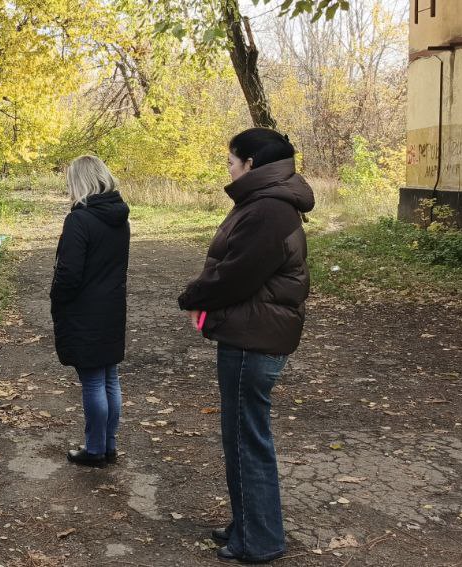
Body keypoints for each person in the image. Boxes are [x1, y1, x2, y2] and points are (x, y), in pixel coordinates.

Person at [177, 128, 314, 564]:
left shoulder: (268, 209)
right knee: (242, 437)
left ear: (251, 164)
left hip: (253, 338)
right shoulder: (266, 203)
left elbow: (237, 274)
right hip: (252, 333)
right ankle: (250, 524)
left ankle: (260, 540)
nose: (229, 169)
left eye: (232, 161)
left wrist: (193, 295)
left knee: (245, 440)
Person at [50, 155, 131, 468]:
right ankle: (108, 444)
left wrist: (57, 298)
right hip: (111, 308)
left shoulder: (80, 220)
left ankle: (96, 449)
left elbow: (69, 273)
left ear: (79, 182)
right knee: (110, 378)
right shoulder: (119, 218)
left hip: (85, 311)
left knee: (95, 382)